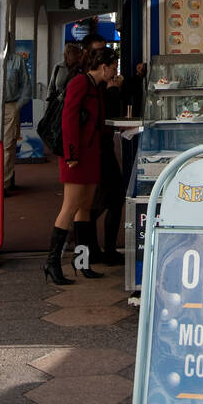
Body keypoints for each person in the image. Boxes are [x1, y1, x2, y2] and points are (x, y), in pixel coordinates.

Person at [45, 46, 119, 285]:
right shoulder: (79, 83)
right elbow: (68, 119)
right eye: (113, 67)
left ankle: (82, 262)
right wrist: (71, 154)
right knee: (70, 206)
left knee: (84, 208)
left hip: (90, 155)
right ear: (103, 65)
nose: (115, 72)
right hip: (76, 157)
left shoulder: (96, 88)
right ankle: (52, 262)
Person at [82, 33, 126, 265]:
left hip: (100, 147)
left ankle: (97, 249)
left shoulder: (92, 82)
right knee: (90, 202)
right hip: (93, 150)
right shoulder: (84, 82)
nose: (101, 56)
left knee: (105, 198)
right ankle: (91, 248)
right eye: (97, 51)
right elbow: (97, 115)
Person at [2, 40, 33, 196]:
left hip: (9, 106)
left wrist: (16, 106)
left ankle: (4, 185)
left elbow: (27, 86)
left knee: (8, 146)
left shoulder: (17, 61)